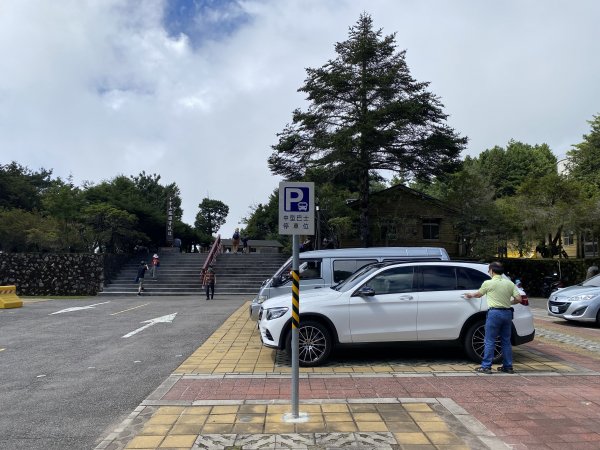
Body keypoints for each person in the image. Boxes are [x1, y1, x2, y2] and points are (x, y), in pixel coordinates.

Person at [464, 261, 521, 374]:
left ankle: (486, 366)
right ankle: (508, 366)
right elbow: (519, 299)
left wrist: (470, 295)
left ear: (492, 271)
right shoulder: (509, 284)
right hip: (507, 313)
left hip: (494, 313)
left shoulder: (488, 283)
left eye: (489, 270)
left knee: (490, 340)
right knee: (506, 340)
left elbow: (478, 294)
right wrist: (510, 302)